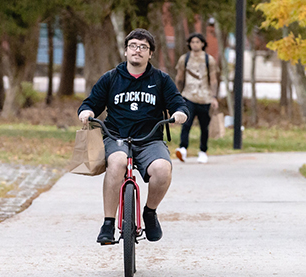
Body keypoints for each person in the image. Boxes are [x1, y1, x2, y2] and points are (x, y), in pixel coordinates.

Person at [77, 28, 189, 245]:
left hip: (150, 139)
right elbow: (90, 102)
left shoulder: (161, 80)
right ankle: (108, 223)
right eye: (133, 46)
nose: (137, 50)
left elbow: (178, 104)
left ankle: (150, 212)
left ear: (150, 54)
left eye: (143, 47)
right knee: (117, 162)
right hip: (116, 136)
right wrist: (86, 112)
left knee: (162, 169)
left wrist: (180, 114)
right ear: (126, 51)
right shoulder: (111, 78)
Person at [173, 33, 219, 164]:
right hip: (189, 96)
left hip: (205, 97)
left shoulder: (208, 59)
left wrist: (214, 97)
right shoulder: (184, 59)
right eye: (192, 42)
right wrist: (177, 94)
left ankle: (203, 151)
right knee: (186, 123)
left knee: (204, 127)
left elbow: (214, 79)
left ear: (203, 44)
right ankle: (182, 148)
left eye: (197, 42)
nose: (195, 44)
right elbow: (179, 78)